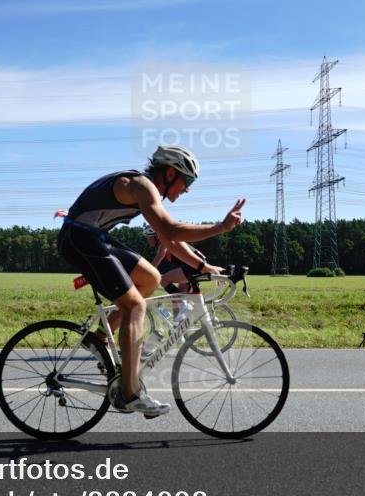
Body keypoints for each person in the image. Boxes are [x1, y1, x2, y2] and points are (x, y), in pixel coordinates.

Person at [57, 145, 244, 416]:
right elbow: (170, 229)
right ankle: (130, 393)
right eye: (187, 181)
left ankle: (98, 339)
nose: (188, 189)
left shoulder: (146, 189)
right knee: (135, 306)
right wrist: (221, 227)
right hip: (79, 239)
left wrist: (204, 266)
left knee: (151, 278)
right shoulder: (141, 187)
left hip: (92, 236)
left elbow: (168, 239)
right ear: (170, 174)